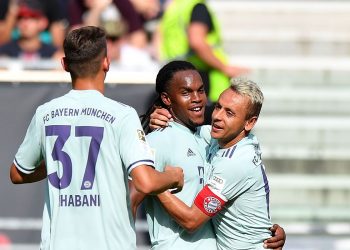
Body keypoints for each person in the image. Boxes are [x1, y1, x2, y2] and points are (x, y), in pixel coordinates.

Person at [9, 26, 184, 250]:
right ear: (106, 63)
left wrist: (59, 161)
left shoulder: (46, 112)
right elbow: (146, 182)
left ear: (64, 64)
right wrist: (173, 176)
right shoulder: (122, 115)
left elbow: (17, 173)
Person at [132, 60, 285, 249]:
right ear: (167, 99)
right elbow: (130, 199)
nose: (218, 115)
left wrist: (158, 185)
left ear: (249, 123)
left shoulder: (233, 160)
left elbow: (192, 221)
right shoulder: (205, 136)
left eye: (229, 112)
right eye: (219, 107)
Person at [157, 0, 248, 123]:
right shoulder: (197, 7)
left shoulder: (174, 8)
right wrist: (224, 68)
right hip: (203, 78)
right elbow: (197, 41)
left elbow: (158, 41)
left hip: (176, 78)